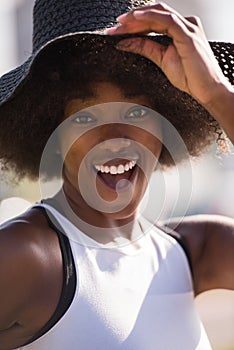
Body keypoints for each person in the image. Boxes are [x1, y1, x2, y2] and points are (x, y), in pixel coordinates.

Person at [0, 0, 233, 349]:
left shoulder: (194, 251)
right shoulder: (25, 256)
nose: (114, 139)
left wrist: (216, 93)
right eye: (84, 119)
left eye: (136, 112)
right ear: (52, 135)